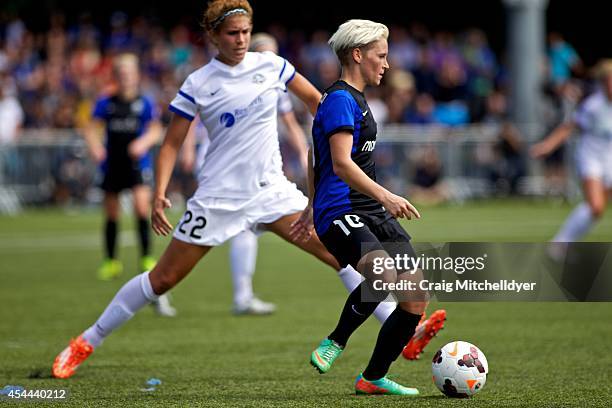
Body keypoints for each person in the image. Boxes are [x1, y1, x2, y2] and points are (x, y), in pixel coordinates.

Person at [51, 0, 392, 379]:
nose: (242, 40)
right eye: (232, 33)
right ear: (213, 36)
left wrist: (330, 163)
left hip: (272, 192)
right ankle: (85, 342)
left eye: (246, 32)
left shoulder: (272, 65)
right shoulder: (199, 83)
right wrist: (161, 192)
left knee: (342, 258)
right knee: (162, 279)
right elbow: (169, 144)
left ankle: (401, 327)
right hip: (219, 198)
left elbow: (320, 105)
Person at [302, 20, 445, 396]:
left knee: (415, 296)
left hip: (370, 209)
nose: (386, 63)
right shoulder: (339, 99)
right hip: (340, 209)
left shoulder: (358, 100)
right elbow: (339, 164)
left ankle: (373, 377)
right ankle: (335, 340)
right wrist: (387, 195)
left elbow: (310, 153)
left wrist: (306, 201)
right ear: (357, 54)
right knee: (381, 275)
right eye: (381, 55)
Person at [180, 32, 310, 315]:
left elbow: (290, 122)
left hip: (257, 168)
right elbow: (192, 117)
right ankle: (238, 295)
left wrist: (303, 152)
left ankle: (242, 295)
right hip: (223, 167)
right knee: (236, 227)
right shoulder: (224, 81)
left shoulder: (277, 84)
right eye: (268, 53)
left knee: (247, 227)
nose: (274, 60)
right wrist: (189, 148)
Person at [81, 53, 176, 317]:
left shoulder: (144, 102)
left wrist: (142, 143)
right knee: (111, 213)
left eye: (129, 73)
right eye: (121, 73)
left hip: (137, 165)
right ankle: (111, 261)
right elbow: (90, 127)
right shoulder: (106, 102)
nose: (125, 77)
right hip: (112, 164)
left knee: (140, 207)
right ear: (116, 76)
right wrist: (96, 148)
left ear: (136, 76)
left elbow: (156, 129)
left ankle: (146, 256)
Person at [531, 59, 612, 248]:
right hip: (591, 158)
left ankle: (563, 244)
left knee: (596, 211)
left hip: (609, 161)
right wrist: (547, 145)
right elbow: (569, 127)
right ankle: (560, 244)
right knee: (596, 206)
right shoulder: (593, 106)